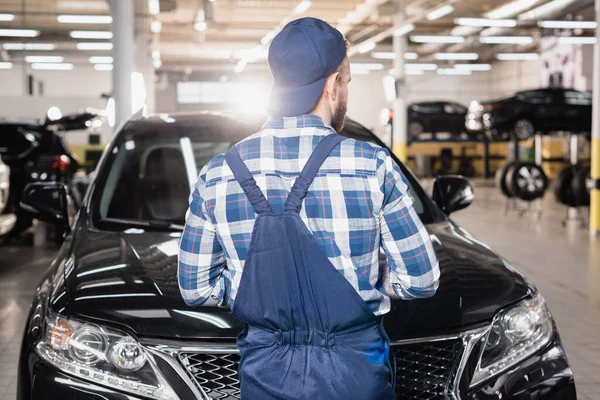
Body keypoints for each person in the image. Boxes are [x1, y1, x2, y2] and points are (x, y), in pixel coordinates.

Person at [178, 17, 440, 400]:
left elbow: (195, 289)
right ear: (333, 84)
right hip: (355, 374)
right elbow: (421, 280)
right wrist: (368, 280)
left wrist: (251, 286)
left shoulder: (218, 174)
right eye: (346, 82)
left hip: (265, 372)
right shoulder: (372, 165)